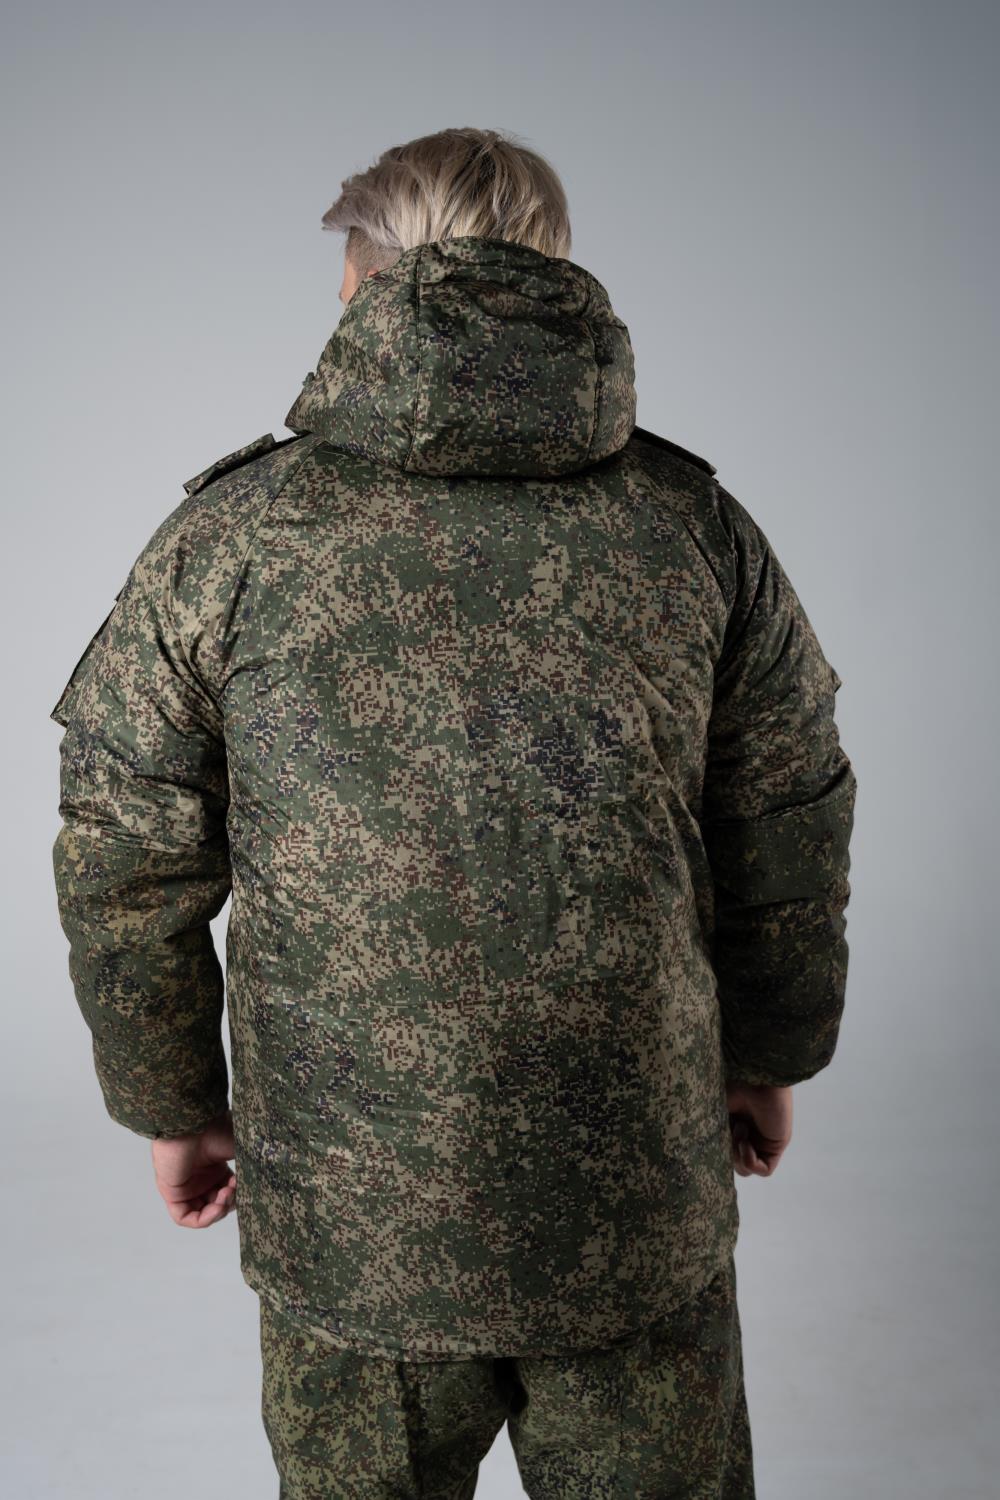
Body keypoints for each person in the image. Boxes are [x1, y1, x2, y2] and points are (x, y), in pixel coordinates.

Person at [49, 125, 856, 1498]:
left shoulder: (232, 539)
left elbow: (126, 853)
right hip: (633, 1194)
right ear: (552, 272)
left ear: (364, 285)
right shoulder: (692, 526)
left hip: (353, 1214)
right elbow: (787, 814)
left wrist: (172, 1103)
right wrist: (770, 1052)